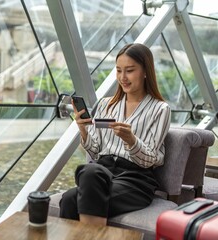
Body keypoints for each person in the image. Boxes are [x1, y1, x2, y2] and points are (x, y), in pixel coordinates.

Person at [59, 43, 171, 226]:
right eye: (119, 71)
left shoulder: (160, 109)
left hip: (135, 180)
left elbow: (149, 159)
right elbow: (95, 152)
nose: (122, 77)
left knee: (76, 192)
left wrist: (131, 140)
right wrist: (83, 129)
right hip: (102, 172)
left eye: (129, 70)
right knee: (81, 183)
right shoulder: (105, 105)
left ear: (145, 72)